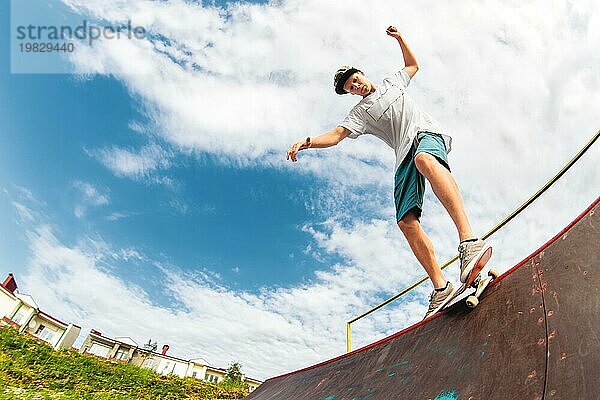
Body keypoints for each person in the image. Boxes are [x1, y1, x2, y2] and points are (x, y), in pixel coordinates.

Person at [286, 26, 492, 319]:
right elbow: (336, 135)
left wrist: (399, 39)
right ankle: (441, 288)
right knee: (405, 221)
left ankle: (469, 242)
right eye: (350, 88)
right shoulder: (359, 114)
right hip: (402, 153)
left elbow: (412, 65)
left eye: (355, 80)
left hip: (426, 134)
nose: (356, 86)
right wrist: (307, 142)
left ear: (362, 74)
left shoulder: (391, 83)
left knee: (425, 160)